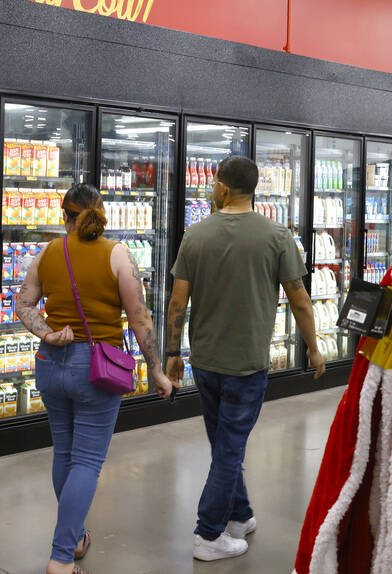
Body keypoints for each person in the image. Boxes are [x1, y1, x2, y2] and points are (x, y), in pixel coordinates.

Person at [165, 155, 326, 562]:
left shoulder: (195, 236)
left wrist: (171, 353)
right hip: (248, 364)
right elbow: (300, 299)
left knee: (224, 445)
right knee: (230, 448)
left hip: (204, 360)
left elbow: (177, 302)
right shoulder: (276, 236)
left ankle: (240, 515)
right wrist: (313, 345)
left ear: (221, 187)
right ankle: (207, 534)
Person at [16, 183, 173, 574]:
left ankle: (77, 535)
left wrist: (47, 333)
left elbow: (24, 304)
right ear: (101, 213)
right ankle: (61, 556)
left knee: (64, 455)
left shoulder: (47, 254)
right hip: (97, 369)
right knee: (86, 461)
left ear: (63, 215)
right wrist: (155, 368)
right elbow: (140, 319)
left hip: (51, 363)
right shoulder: (118, 255)